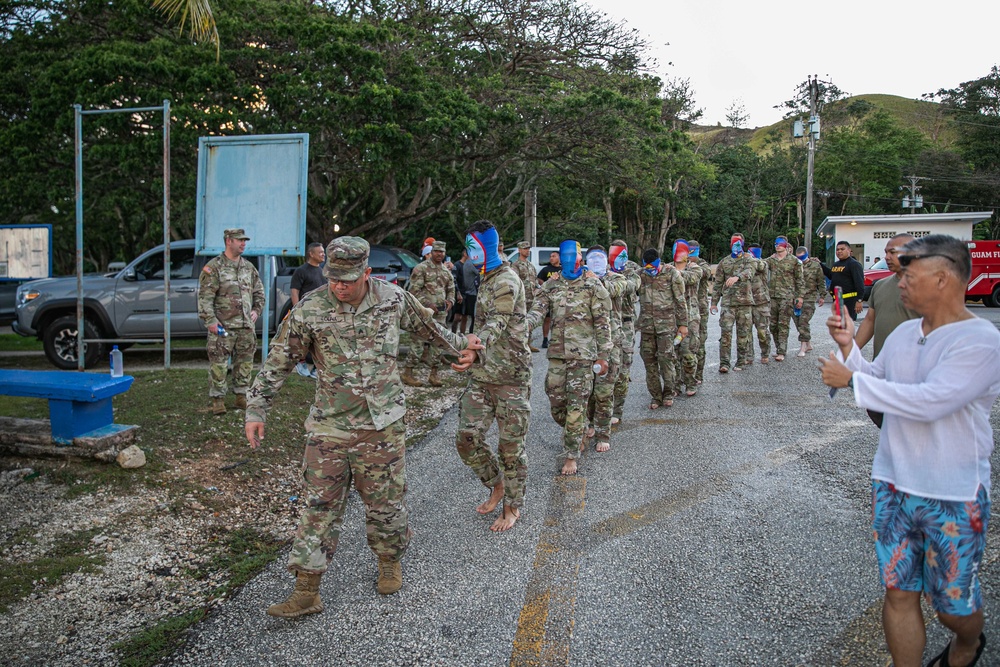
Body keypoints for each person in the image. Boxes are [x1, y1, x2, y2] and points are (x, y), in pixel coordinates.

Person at [245, 237, 480, 618]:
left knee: (385, 504)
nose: (339, 286)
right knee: (319, 506)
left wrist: (463, 346)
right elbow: (279, 360)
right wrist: (256, 408)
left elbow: (431, 330)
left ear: (367, 273)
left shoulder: (393, 299)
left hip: (381, 426)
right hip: (329, 427)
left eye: (348, 279)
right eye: (334, 277)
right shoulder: (310, 308)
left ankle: (389, 562)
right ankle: (306, 590)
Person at [820, 234, 1000, 667]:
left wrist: (852, 381)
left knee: (951, 607)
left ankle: (968, 642)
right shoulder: (902, 332)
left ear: (943, 279)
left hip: (952, 491)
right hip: (893, 483)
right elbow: (878, 379)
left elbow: (933, 400)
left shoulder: (981, 340)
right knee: (898, 592)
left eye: (908, 274)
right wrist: (849, 348)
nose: (898, 282)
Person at [454, 221, 532, 532]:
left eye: (475, 246)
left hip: (510, 378)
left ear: (489, 246)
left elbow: (498, 322)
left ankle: (512, 506)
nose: (470, 253)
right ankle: (495, 483)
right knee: (466, 439)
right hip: (483, 375)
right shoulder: (485, 277)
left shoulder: (506, 281)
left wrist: (474, 347)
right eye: (468, 247)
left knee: (511, 448)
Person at [527, 240, 611, 476]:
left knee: (576, 405)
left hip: (583, 357)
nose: (566, 259)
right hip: (557, 355)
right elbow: (537, 311)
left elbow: (603, 323)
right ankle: (579, 429)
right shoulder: (552, 286)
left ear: (578, 257)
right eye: (562, 255)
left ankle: (571, 455)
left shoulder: (593, 285)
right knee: (556, 404)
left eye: (570, 255)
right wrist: (521, 327)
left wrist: (604, 355)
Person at [853, 234, 919, 428]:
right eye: (886, 253)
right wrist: (852, 350)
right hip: (883, 368)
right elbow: (870, 320)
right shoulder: (880, 286)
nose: (887, 257)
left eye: (893, 252)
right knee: (876, 410)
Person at [197, 228, 265, 415]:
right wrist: (210, 320)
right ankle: (218, 399)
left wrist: (256, 311)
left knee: (245, 363)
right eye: (239, 240)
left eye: (244, 240)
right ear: (228, 241)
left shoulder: (248, 268)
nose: (243, 243)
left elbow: (259, 292)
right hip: (222, 326)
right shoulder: (214, 267)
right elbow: (205, 298)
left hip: (245, 327)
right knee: (219, 363)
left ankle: (241, 396)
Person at [583, 245, 636, 451]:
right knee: (586, 389)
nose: (596, 262)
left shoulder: (617, 278)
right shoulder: (581, 279)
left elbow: (611, 291)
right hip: (587, 343)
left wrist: (595, 279)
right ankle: (588, 423)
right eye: (592, 258)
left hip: (611, 342)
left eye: (600, 258)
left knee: (605, 389)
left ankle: (603, 433)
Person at [637, 247, 688, 408]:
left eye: (653, 267)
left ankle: (668, 392)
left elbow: (680, 301)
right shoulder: (641, 274)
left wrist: (683, 325)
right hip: (646, 326)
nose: (650, 270)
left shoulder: (671, 273)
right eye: (648, 267)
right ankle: (655, 396)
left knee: (666, 360)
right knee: (649, 362)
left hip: (666, 326)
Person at [403, 240, 456, 387]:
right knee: (418, 343)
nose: (439, 254)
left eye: (442, 252)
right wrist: (427, 303)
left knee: (439, 343)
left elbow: (451, 289)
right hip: (423, 313)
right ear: (431, 252)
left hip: (440, 315)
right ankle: (408, 373)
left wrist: (450, 301)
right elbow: (413, 291)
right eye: (437, 251)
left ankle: (434, 374)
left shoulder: (446, 271)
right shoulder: (421, 269)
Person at [710, 235, 756, 373]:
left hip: (744, 303)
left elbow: (750, 271)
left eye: (738, 243)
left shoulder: (748, 259)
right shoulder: (724, 262)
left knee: (743, 334)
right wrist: (713, 303)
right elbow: (717, 284)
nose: (736, 245)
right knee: (725, 334)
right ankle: (724, 363)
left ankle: (741, 361)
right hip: (728, 303)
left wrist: (738, 277)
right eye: (733, 243)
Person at [609, 239, 641, 425]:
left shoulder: (631, 270)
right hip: (607, 327)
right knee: (606, 370)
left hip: (627, 325)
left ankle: (617, 411)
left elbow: (632, 286)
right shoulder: (602, 269)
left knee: (623, 370)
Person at [290, 242, 327, 378]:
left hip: (320, 314)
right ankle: (301, 363)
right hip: (305, 313)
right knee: (303, 341)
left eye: (324, 252)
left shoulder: (323, 271)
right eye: (320, 252)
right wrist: (297, 310)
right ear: (311, 254)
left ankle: (317, 369)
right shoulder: (301, 271)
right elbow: (294, 292)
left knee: (320, 342)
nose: (323, 254)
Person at [765, 236, 804, 362]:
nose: (778, 246)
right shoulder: (771, 260)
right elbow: (759, 265)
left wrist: (799, 296)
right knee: (772, 325)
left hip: (787, 296)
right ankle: (778, 348)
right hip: (773, 296)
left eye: (780, 244)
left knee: (783, 324)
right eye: (776, 243)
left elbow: (800, 280)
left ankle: (782, 351)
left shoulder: (794, 261)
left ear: (786, 245)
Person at [672, 240, 703, 396]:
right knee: (673, 355)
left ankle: (690, 382)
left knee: (688, 352)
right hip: (672, 319)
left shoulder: (694, 268)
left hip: (690, 318)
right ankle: (675, 385)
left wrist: (674, 273)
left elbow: (692, 278)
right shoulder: (668, 268)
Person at [792, 246, 827, 357]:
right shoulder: (795, 265)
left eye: (802, 256)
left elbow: (821, 281)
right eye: (798, 257)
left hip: (809, 298)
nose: (800, 259)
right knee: (797, 321)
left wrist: (822, 296)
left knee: (803, 321)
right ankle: (808, 343)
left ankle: (803, 347)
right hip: (796, 297)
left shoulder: (815, 266)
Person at [686, 240, 712, 384]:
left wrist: (692, 266)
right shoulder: (678, 264)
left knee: (699, 343)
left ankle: (698, 375)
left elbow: (705, 273)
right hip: (683, 309)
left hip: (699, 309)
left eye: (693, 251)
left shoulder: (702, 264)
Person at [511, 241, 540, 352]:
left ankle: (528, 343)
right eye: (525, 249)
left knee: (529, 321)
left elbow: (535, 280)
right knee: (519, 321)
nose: (527, 251)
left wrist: (538, 288)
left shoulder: (531, 266)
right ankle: (519, 344)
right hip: (521, 298)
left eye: (528, 249)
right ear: (519, 250)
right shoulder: (515, 265)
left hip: (531, 297)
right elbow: (514, 281)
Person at [747, 243, 771, 364]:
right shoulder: (745, 264)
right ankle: (749, 356)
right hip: (747, 302)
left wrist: (750, 258)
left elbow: (759, 266)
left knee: (762, 331)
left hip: (761, 302)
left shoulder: (763, 263)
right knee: (746, 332)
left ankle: (765, 353)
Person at [829, 240, 865, 321]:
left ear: (849, 250)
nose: (839, 251)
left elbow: (860, 284)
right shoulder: (836, 264)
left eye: (842, 249)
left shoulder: (854, 264)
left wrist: (859, 300)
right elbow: (831, 275)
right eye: (837, 250)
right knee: (839, 325)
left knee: (847, 325)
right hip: (838, 300)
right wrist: (820, 264)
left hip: (849, 301)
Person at [536, 251, 561, 348]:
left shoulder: (562, 269)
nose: (551, 258)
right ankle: (545, 339)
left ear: (559, 257)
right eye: (550, 256)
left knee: (558, 319)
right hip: (548, 297)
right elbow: (539, 278)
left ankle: (556, 339)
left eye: (554, 256)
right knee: (547, 319)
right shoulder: (546, 269)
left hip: (560, 298)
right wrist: (545, 285)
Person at [460, 249, 481, 334]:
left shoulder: (466, 263)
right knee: (475, 319)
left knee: (473, 319)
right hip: (473, 294)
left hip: (469, 293)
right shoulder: (471, 263)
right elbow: (481, 272)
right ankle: (473, 337)